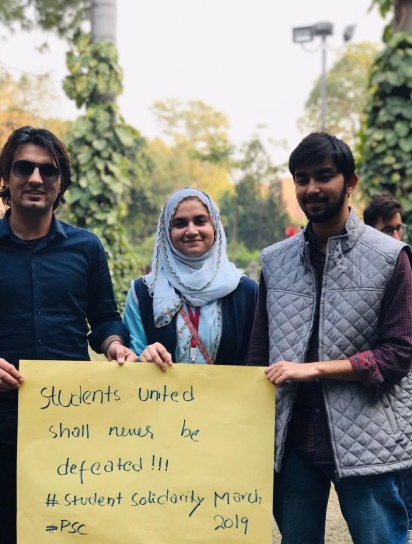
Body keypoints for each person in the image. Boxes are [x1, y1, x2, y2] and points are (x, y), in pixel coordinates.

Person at [248, 132, 412, 544]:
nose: (312, 188)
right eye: (301, 178)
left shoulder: (391, 256)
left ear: (350, 181)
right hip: (293, 442)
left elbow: (398, 353)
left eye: (324, 175)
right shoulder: (274, 260)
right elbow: (258, 353)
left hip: (368, 440)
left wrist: (314, 369)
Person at [0, 126, 137, 544]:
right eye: (23, 168)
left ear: (62, 184)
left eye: (49, 170)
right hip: (2, 427)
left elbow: (105, 319)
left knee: (67, 535)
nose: (36, 179)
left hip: (71, 428)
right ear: (6, 177)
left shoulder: (87, 248)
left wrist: (115, 345)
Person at [123, 187, 258, 368]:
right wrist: (142, 357)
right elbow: (129, 359)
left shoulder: (246, 291)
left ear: (215, 226)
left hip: (229, 396)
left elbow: (256, 359)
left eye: (200, 221)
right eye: (180, 224)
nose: (192, 231)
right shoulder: (143, 293)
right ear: (166, 233)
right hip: (161, 395)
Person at [364, 192, 412, 543]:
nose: (396, 236)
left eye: (398, 228)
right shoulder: (368, 272)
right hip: (383, 393)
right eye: (387, 229)